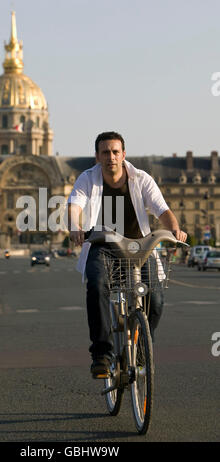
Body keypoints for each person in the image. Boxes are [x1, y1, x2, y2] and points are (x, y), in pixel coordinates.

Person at [67, 131, 187, 378]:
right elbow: (75, 205)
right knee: (97, 285)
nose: (110, 157)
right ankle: (102, 354)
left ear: (123, 154)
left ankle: (143, 346)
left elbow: (161, 209)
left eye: (115, 152)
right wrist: (74, 227)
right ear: (97, 156)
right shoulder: (87, 178)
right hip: (103, 244)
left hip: (139, 246)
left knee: (155, 299)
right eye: (105, 152)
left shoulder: (141, 179)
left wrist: (174, 229)